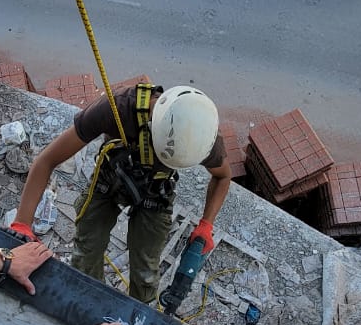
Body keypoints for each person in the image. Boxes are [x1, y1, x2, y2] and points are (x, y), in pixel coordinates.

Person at [12, 82, 231, 304]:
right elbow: (46, 160)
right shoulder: (117, 108)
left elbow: (223, 176)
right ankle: (89, 301)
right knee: (86, 253)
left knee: (146, 272)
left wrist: (206, 225)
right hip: (111, 176)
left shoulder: (204, 138)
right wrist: (23, 223)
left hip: (156, 189)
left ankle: (136, 312)